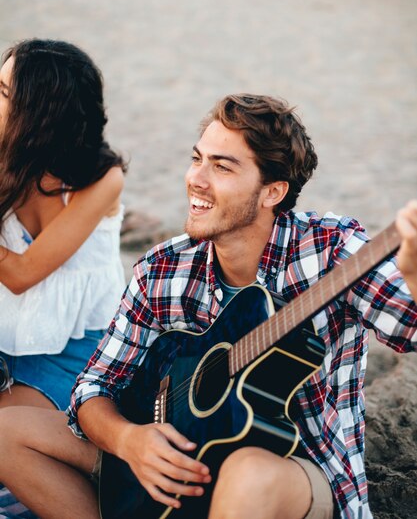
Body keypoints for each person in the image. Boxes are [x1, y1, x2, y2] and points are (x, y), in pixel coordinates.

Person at [0, 94, 416, 519]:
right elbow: (93, 386)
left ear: (272, 191)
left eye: (221, 166)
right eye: (197, 159)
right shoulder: (162, 269)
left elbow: (410, 326)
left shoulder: (331, 252)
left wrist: (413, 273)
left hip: (293, 471)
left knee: (246, 473)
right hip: (178, 456)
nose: (196, 179)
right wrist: (131, 441)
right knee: (7, 431)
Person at [0, 38, 127, 412]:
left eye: (4, 93)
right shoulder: (8, 157)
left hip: (78, 347)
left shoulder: (101, 179)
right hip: (8, 336)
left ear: (39, 114)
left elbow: (21, 274)